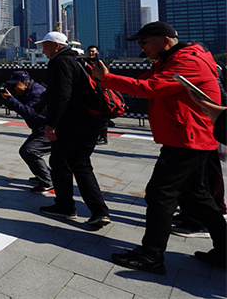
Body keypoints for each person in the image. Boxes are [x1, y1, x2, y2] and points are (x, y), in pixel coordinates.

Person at [92, 21, 226, 273]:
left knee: (159, 194)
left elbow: (150, 88)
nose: (141, 48)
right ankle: (225, 250)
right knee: (196, 197)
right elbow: (145, 79)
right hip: (188, 136)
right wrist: (105, 76)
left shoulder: (188, 62)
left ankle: (151, 256)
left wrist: (107, 78)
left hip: (187, 138)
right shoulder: (171, 60)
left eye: (144, 42)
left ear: (164, 40)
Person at [36, 31, 110, 228]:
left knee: (60, 163)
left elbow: (61, 95)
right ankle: (99, 211)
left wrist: (51, 124)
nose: (42, 50)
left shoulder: (59, 62)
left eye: (45, 46)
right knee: (81, 164)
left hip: (72, 123)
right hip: (91, 121)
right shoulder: (79, 60)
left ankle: (66, 206)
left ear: (56, 46)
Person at [0, 71, 52, 193]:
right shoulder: (27, 91)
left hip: (49, 129)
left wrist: (11, 99)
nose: (14, 88)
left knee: (29, 151)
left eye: (15, 85)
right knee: (28, 151)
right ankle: (44, 175)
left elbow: (28, 111)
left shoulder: (38, 92)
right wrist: (9, 98)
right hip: (40, 128)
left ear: (25, 83)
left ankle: (47, 181)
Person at [86, 45, 109, 145]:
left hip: (101, 91)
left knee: (103, 116)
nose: (91, 53)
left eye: (93, 52)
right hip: (90, 92)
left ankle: (103, 137)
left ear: (97, 53)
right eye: (89, 51)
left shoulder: (101, 63)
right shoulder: (85, 62)